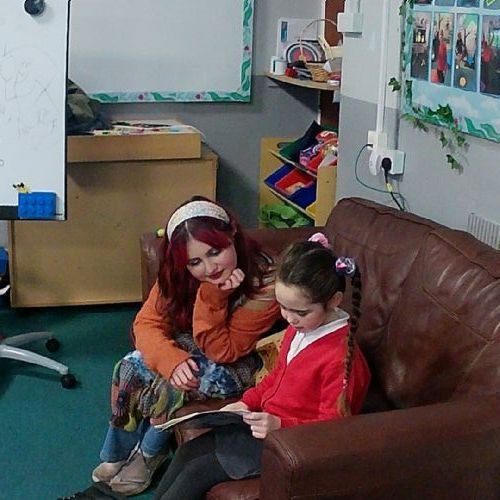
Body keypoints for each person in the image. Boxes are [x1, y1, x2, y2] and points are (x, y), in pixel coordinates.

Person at [153, 233, 371, 500]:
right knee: (189, 452)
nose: (289, 318)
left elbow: (334, 428)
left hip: (292, 442)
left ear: (335, 301)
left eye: (300, 312)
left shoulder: (342, 359)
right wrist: (246, 403)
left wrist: (280, 425)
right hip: (263, 426)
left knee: (197, 471)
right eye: (283, 307)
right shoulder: (300, 329)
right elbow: (277, 377)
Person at [92, 196, 281, 496]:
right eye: (195, 262)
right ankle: (117, 452)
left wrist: (212, 296)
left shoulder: (267, 278)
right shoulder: (176, 273)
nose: (210, 268)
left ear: (232, 234)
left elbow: (224, 351)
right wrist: (171, 360)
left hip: (243, 358)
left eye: (215, 252)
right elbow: (146, 323)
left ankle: (149, 454)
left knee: (175, 385)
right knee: (130, 366)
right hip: (192, 343)